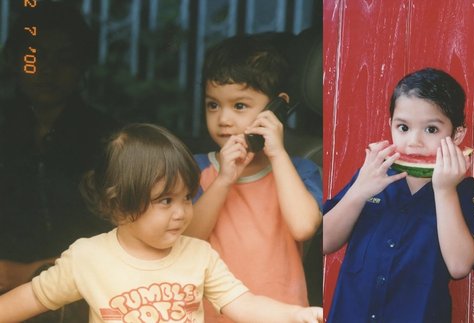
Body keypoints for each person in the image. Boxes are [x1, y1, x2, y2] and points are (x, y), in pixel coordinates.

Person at [0, 123, 323, 323]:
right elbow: (27, 300)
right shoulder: (88, 258)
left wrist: (294, 314)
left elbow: (244, 304)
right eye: (166, 201)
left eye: (186, 197)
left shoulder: (199, 254)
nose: (182, 211)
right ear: (120, 205)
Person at [322, 68, 474, 322]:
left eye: (431, 130)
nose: (414, 141)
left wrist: (444, 191)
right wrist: (358, 192)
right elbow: (325, 242)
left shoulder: (463, 191)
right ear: (390, 125)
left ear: (457, 135)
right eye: (403, 127)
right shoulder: (372, 174)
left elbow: (459, 267)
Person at [184, 34, 323, 322]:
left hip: (284, 315)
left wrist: (278, 155)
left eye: (239, 106)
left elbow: (303, 226)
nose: (223, 119)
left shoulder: (298, 171)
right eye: (213, 105)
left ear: (278, 108)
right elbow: (187, 238)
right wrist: (223, 179)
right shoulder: (196, 170)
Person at [0, 2, 118, 320]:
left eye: (64, 59)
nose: (47, 70)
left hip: (85, 292)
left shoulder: (107, 137)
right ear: (13, 59)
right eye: (34, 57)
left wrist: (42, 271)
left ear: (83, 65)